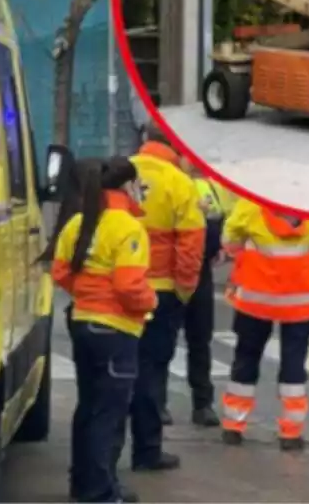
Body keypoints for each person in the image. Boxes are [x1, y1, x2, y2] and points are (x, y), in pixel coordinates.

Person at [51, 157, 158, 504]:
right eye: (138, 184)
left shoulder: (79, 224)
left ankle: (85, 484)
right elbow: (129, 286)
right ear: (127, 187)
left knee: (89, 409)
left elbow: (61, 272)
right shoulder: (127, 229)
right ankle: (99, 493)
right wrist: (150, 301)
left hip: (84, 323)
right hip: (115, 331)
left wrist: (88, 295)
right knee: (108, 416)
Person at [219, 198, 309, 451]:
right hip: (300, 300)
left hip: (255, 299)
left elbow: (230, 242)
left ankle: (234, 425)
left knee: (246, 358)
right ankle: (291, 432)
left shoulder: (250, 205)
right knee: (294, 363)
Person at [126, 124, 205, 471]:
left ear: (145, 142)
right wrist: (184, 289)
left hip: (118, 290)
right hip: (160, 292)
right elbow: (190, 245)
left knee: (113, 371)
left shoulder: (120, 171)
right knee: (152, 369)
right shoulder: (179, 183)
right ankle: (147, 449)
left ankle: (103, 457)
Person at [169, 165, 235, 427]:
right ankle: (157, 404)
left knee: (200, 340)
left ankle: (203, 403)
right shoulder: (171, 183)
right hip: (170, 271)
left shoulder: (214, 186)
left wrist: (223, 247)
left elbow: (228, 219)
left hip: (202, 272)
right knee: (163, 341)